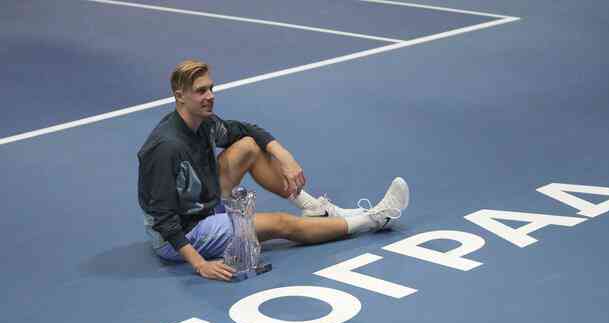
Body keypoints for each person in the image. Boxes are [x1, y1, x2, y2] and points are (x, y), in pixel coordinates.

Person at [137, 59, 409, 281]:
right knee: (281, 223)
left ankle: (315, 208)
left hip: (200, 204)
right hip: (183, 234)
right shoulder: (165, 147)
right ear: (179, 96)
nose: (210, 96)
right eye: (201, 91)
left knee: (246, 146)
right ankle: (375, 219)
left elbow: (247, 131)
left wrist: (285, 157)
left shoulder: (204, 123)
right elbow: (162, 217)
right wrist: (199, 265)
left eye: (211, 88)